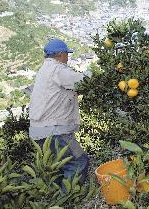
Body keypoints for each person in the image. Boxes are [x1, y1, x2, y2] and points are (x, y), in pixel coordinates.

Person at [28, 38, 91, 186]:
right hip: (54, 131)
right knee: (78, 162)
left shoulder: (45, 69)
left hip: (41, 131)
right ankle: (69, 199)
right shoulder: (58, 70)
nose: (67, 58)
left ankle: (58, 198)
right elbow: (84, 81)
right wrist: (91, 73)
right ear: (61, 54)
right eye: (67, 54)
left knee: (59, 168)